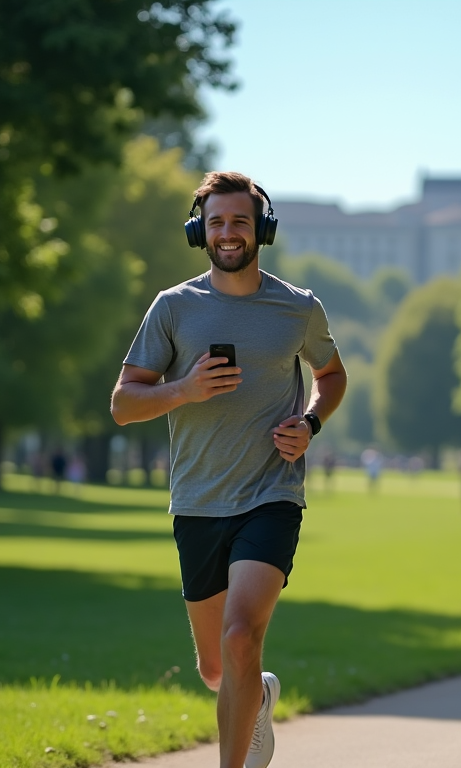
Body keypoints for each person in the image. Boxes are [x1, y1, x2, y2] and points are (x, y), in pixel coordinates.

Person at [110, 171, 347, 768]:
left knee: (242, 636)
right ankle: (257, 696)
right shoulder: (173, 308)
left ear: (261, 228)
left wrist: (310, 423)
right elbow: (123, 403)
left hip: (272, 493)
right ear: (200, 231)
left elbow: (332, 375)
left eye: (240, 220)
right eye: (216, 222)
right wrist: (184, 389)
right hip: (197, 500)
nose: (228, 232)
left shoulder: (297, 308)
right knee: (218, 668)